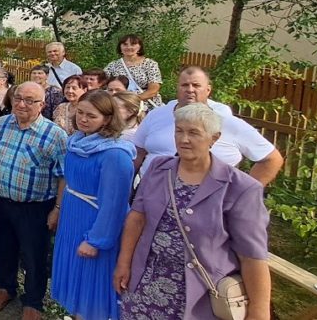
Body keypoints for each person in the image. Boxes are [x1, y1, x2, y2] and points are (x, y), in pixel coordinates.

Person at [115, 104, 272, 320]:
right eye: (179, 131)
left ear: (214, 138)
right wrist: (124, 263)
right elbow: (137, 218)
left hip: (200, 294)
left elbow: (252, 255)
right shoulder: (159, 168)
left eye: (194, 133)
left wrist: (259, 311)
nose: (184, 139)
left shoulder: (240, 188)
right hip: (145, 283)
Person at [50, 91, 135, 320]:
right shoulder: (76, 142)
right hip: (73, 219)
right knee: (75, 278)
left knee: (92, 287)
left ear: (107, 119)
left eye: (91, 116)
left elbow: (115, 205)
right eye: (80, 113)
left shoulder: (115, 155)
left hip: (95, 224)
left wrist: (96, 240)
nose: (83, 119)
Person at [0, 82, 68, 320]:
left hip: (35, 208)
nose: (22, 104)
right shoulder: (1, 124)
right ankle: (5, 287)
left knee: (34, 256)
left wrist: (57, 209)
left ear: (42, 104)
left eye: (30, 100)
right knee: (3, 249)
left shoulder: (55, 135)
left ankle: (33, 301)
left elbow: (64, 176)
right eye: (18, 98)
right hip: (1, 201)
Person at [131, 66, 283, 185]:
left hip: (207, 204)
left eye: (196, 85)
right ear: (177, 88)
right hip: (150, 195)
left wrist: (244, 195)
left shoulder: (227, 122)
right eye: (185, 85)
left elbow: (272, 159)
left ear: (208, 90)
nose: (190, 90)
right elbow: (137, 154)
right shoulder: (156, 115)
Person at [104, 34, 163, 110]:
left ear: (140, 47)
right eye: (125, 44)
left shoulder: (150, 64)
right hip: (119, 107)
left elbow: (153, 90)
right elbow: (101, 84)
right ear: (120, 47)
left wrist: (131, 101)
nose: (129, 47)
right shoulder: (113, 66)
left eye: (133, 44)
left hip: (146, 106)